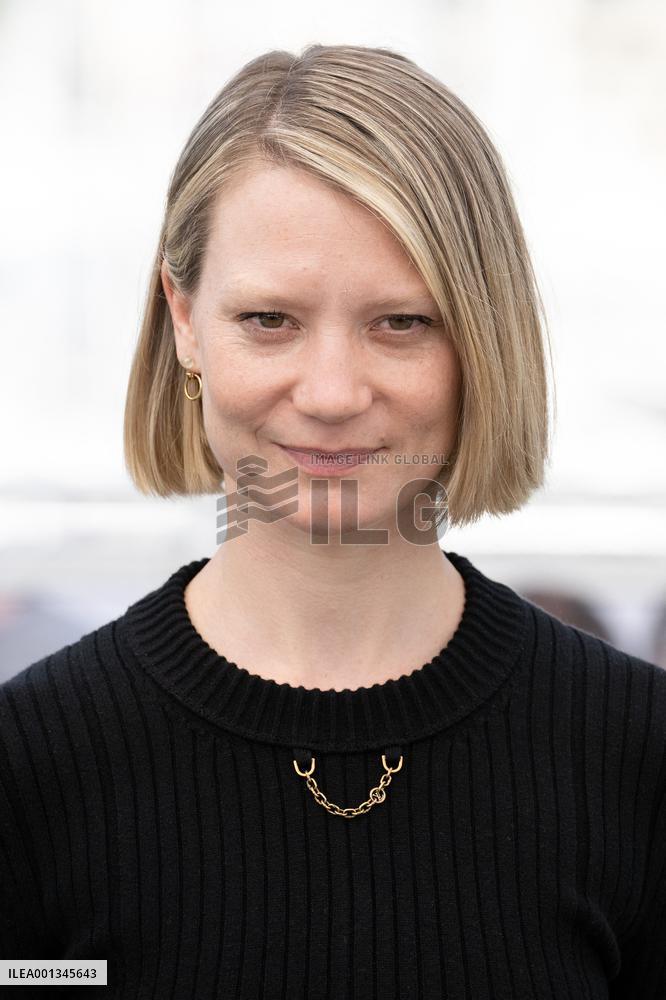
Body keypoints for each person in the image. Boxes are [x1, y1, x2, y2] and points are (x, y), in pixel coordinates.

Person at [1, 43, 664, 1000]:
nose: (332, 392)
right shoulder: (31, 771)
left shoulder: (638, 762)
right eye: (269, 319)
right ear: (184, 320)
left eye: (403, 322)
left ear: (484, 337)